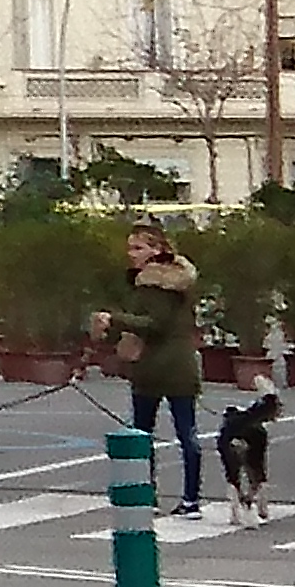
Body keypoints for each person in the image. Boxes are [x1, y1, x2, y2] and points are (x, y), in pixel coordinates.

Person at [98, 218, 210, 518]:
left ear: (156, 249)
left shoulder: (154, 283)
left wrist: (115, 319)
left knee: (145, 433)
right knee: (184, 433)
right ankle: (190, 499)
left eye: (138, 248)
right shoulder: (175, 280)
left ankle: (150, 494)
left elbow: (153, 324)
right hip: (178, 364)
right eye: (130, 248)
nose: (131, 254)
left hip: (158, 365)